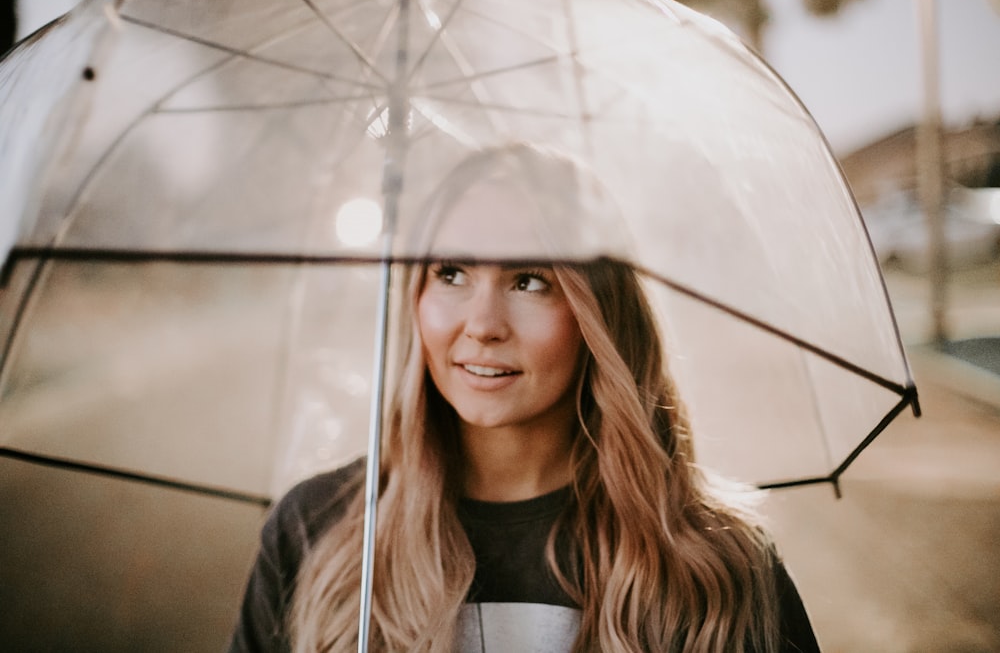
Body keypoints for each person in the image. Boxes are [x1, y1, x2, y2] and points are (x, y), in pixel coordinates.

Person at [228, 144, 821, 652]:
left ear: (597, 314)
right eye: (451, 273)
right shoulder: (316, 536)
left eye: (530, 281)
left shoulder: (717, 569)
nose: (482, 324)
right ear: (414, 294)